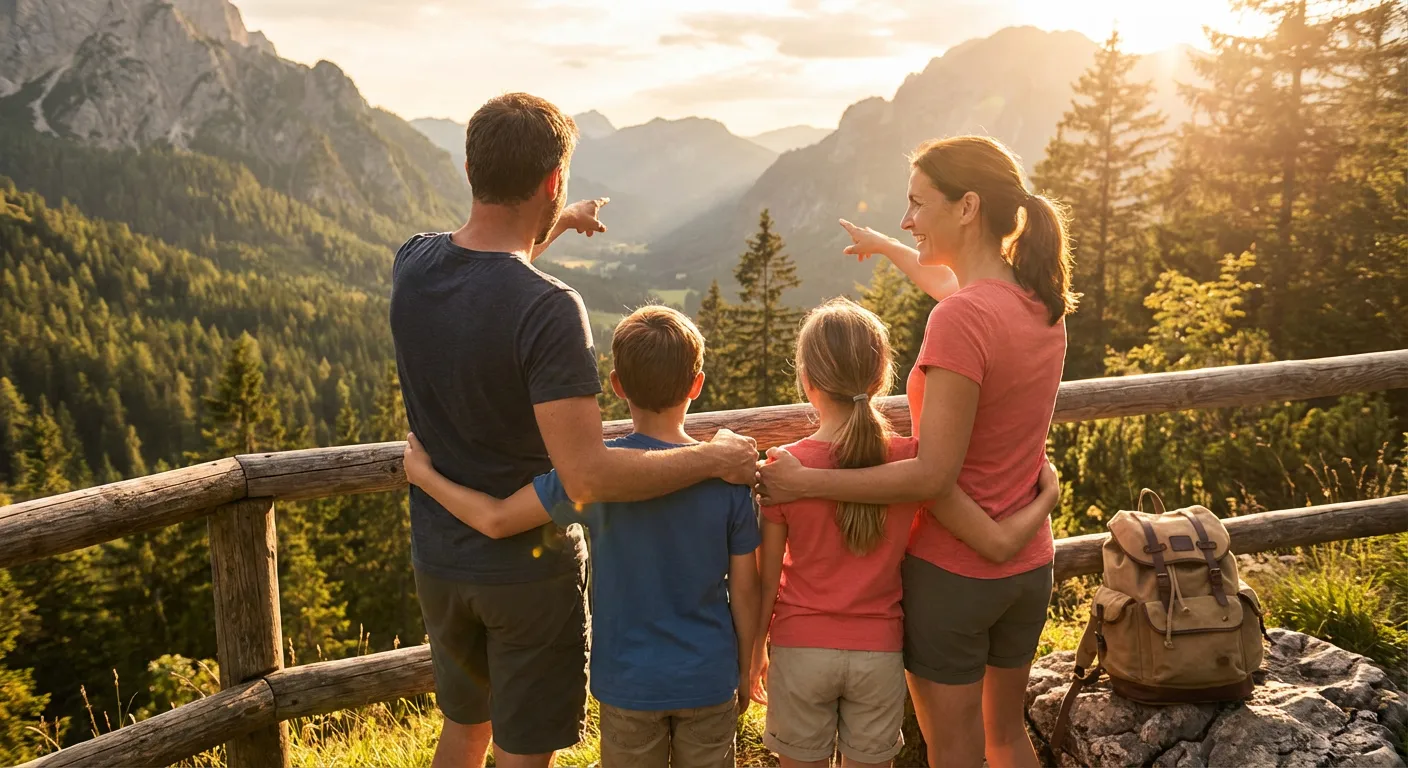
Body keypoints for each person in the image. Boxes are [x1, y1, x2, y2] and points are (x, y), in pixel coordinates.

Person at [390, 93, 758, 768]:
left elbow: (484, 272)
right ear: (554, 179)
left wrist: (557, 221)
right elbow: (586, 474)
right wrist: (714, 460)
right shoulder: (550, 308)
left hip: (439, 558)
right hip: (525, 578)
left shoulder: (412, 263)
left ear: (470, 168)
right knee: (523, 751)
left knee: (464, 730)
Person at [757, 135, 1076, 768]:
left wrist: (808, 483)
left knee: (953, 749)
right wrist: (886, 247)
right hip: (1027, 567)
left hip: (956, 576)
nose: (908, 219)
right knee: (1006, 737)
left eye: (918, 204)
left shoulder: (960, 319)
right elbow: (951, 286)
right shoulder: (1040, 302)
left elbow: (932, 474)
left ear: (967, 207)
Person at [403, 305, 761, 768]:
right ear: (697, 384)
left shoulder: (593, 478)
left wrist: (425, 477)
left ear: (616, 385)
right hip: (708, 678)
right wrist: (746, 666)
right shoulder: (728, 480)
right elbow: (746, 590)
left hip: (628, 685)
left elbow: (495, 520)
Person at [752, 299, 1059, 768]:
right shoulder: (912, 464)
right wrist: (1046, 498)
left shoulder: (783, 469)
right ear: (880, 379)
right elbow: (990, 536)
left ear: (808, 381)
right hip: (879, 653)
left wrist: (755, 649)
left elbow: (767, 580)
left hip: (800, 649)